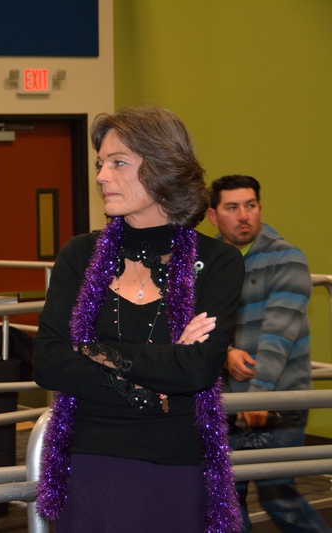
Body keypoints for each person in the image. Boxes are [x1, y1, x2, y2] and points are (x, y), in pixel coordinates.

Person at [33, 105, 244, 532]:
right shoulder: (80, 255)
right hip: (88, 461)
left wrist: (90, 349)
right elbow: (49, 362)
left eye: (118, 163)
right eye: (100, 164)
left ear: (163, 167)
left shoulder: (217, 262)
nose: (100, 177)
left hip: (174, 467)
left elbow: (196, 370)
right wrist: (159, 373)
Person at [207, 174, 329, 533]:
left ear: (260, 208)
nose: (244, 215)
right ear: (213, 216)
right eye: (232, 207)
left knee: (278, 496)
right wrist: (226, 352)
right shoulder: (208, 263)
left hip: (278, 401)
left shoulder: (287, 258)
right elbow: (197, 324)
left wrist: (259, 396)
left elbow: (279, 335)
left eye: (251, 205)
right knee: (227, 499)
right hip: (228, 401)